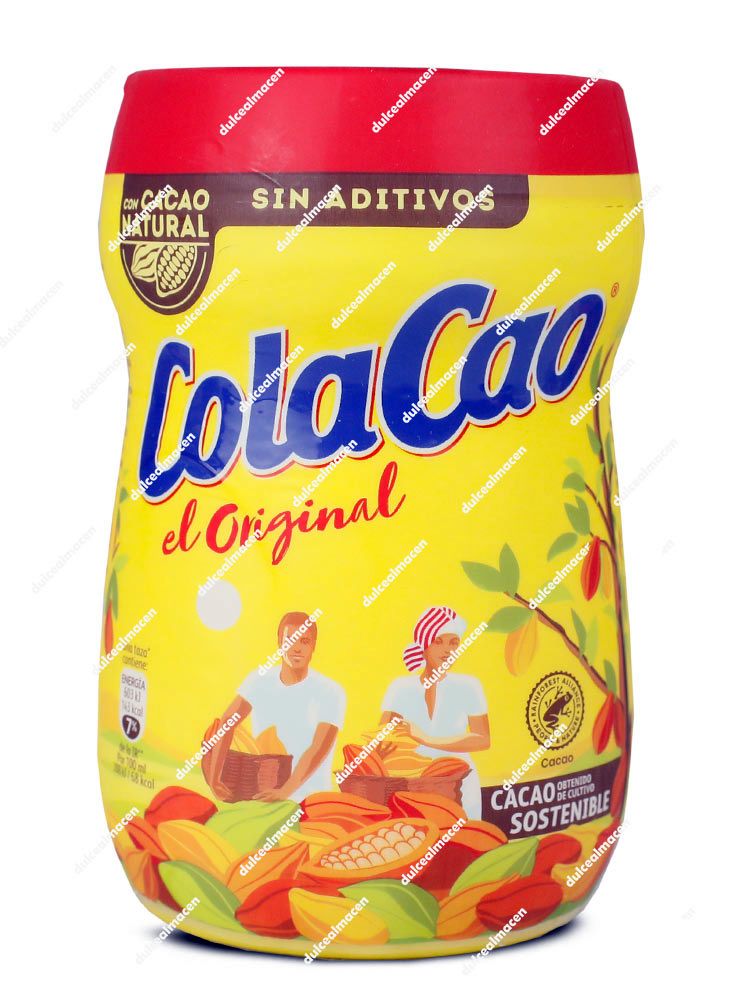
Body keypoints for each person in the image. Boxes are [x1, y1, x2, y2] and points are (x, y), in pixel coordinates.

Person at [206, 611, 345, 802]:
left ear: (313, 646)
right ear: (279, 643)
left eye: (304, 641)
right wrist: (214, 779)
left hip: (311, 799)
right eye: (291, 640)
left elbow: (318, 747)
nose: (297, 648)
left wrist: (285, 792)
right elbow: (227, 721)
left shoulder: (330, 691)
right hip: (262, 796)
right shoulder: (259, 680)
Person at [380, 606, 490, 818]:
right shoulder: (400, 688)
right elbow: (381, 740)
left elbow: (482, 739)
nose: (447, 650)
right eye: (438, 641)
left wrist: (426, 739)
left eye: (454, 642)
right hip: (411, 787)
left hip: (460, 784)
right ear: (424, 646)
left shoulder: (469, 686)